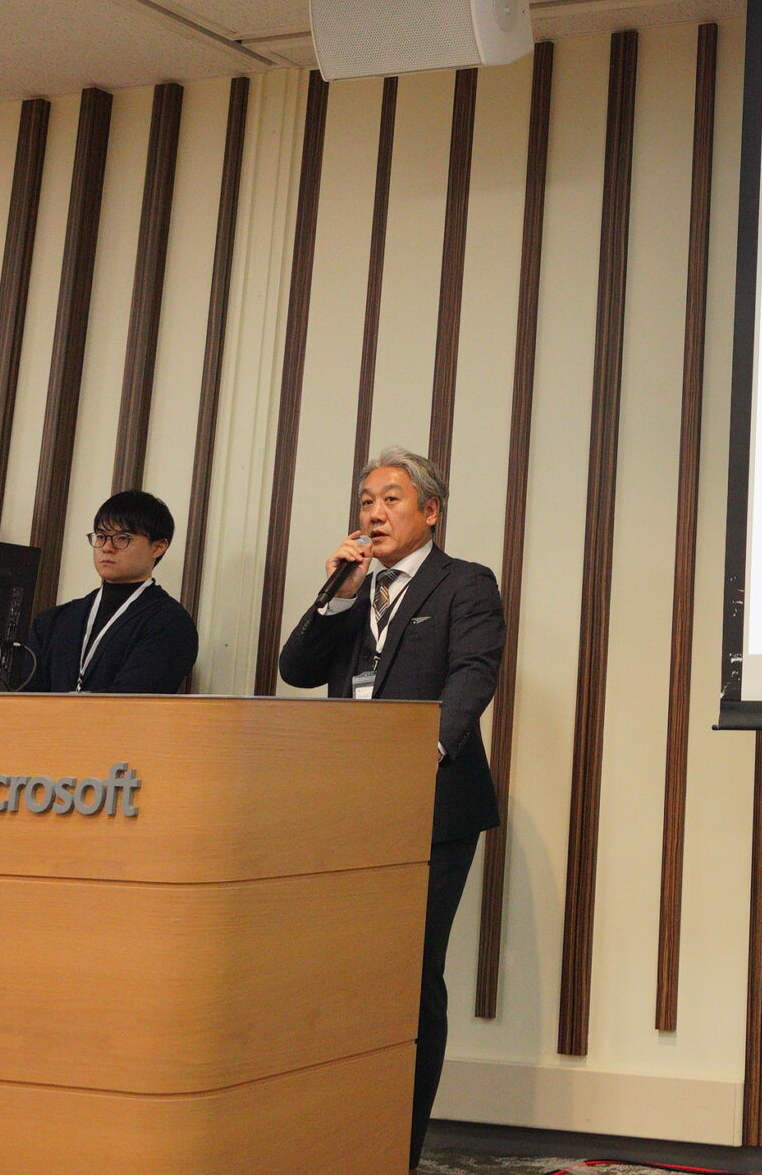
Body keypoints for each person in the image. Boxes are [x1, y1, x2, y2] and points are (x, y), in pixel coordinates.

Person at [278, 447, 502, 1170]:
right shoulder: (355, 587)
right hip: (356, 808)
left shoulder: (464, 582)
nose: (374, 512)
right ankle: (349, 1132)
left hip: (435, 805)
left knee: (410, 973)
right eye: (366, 500)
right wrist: (338, 593)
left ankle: (398, 1149)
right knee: (353, 971)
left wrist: (420, 755)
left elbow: (473, 675)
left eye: (391, 499)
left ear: (430, 510)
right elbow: (296, 669)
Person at [27, 490, 196, 693]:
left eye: (122, 538)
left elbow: (133, 700)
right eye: (101, 536)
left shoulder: (170, 623)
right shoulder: (52, 621)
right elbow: (24, 699)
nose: (107, 547)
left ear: (158, 547)